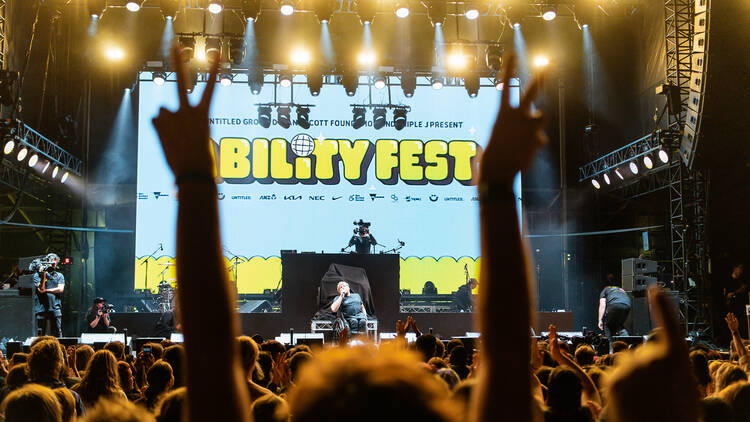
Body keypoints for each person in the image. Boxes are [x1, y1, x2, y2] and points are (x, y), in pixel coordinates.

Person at [33, 253, 65, 337]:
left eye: (54, 262)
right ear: (46, 262)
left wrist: (46, 290)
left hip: (55, 307)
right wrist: (43, 276)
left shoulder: (59, 275)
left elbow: (60, 289)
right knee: (41, 333)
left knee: (57, 332)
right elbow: (40, 289)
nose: (52, 265)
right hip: (41, 308)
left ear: (57, 262)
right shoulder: (37, 275)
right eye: (50, 262)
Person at [724, 263, 749, 338]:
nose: (741, 271)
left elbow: (744, 287)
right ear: (735, 268)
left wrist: (734, 293)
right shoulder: (728, 280)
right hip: (732, 306)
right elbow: (726, 294)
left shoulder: (742, 280)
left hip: (741, 306)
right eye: (740, 268)